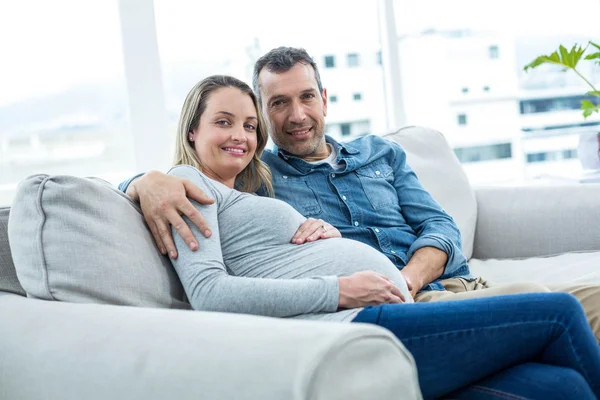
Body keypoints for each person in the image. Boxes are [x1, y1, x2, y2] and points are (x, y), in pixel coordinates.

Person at [141, 73, 600, 399]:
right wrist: (340, 288)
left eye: (247, 125)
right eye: (223, 122)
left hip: (389, 312)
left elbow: (438, 225)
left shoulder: (240, 187)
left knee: (562, 387)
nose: (240, 135)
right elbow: (209, 293)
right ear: (191, 129)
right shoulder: (183, 184)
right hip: (354, 325)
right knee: (557, 312)